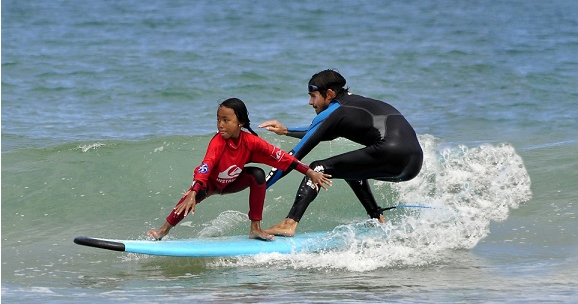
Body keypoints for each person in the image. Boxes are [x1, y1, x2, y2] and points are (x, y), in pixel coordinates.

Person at [258, 69, 423, 237]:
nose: (310, 102)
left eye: (313, 96)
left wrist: (261, 186)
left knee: (317, 169)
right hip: (413, 163)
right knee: (352, 170)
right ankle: (377, 218)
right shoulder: (352, 103)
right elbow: (322, 131)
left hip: (391, 153)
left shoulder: (334, 112)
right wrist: (287, 131)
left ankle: (289, 223)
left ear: (329, 94)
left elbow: (292, 158)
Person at [148, 98, 332, 241]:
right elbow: (206, 165)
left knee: (257, 175)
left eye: (226, 120)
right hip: (210, 183)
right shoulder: (218, 142)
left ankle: (255, 228)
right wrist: (194, 190)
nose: (220, 124)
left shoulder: (250, 142)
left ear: (240, 122)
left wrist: (309, 172)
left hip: (233, 182)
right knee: (189, 199)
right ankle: (163, 230)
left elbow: (282, 157)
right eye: (218, 119)